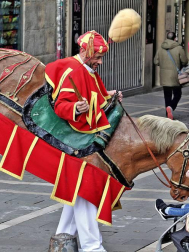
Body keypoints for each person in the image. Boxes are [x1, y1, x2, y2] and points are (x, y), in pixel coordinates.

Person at [45, 30, 123, 252]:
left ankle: (63, 240)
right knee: (86, 188)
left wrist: (110, 94)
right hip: (77, 141)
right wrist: (74, 109)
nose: (100, 62)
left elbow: (94, 96)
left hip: (86, 139)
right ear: (84, 52)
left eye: (100, 57)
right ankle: (92, 247)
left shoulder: (87, 69)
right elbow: (61, 105)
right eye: (97, 57)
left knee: (79, 190)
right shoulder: (74, 71)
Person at [154, 31, 188, 120]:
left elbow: (156, 61)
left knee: (167, 96)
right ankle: (171, 107)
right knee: (177, 94)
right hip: (175, 76)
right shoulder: (179, 48)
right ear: (174, 38)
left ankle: (168, 116)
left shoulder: (161, 48)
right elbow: (184, 61)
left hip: (164, 76)